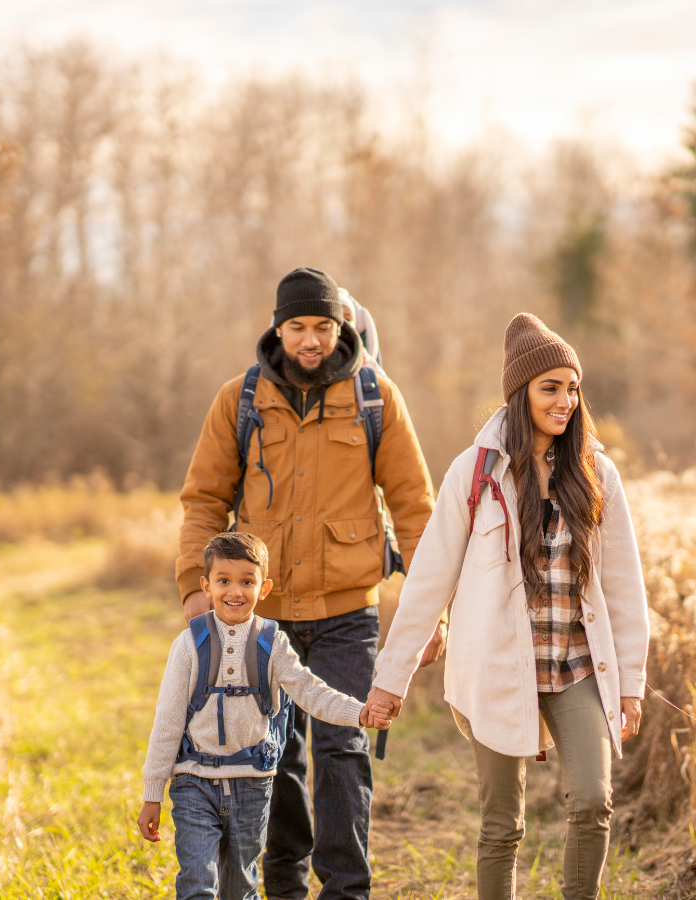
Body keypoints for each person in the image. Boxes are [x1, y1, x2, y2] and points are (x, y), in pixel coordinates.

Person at [175, 267, 443, 900]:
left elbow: (415, 506)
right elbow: (204, 500)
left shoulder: (377, 397)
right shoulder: (238, 400)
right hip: (263, 614)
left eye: (323, 326)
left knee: (344, 746)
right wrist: (194, 588)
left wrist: (429, 610)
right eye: (298, 326)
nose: (311, 339)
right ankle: (285, 885)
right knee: (274, 755)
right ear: (278, 327)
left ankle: (347, 890)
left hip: (350, 613)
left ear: (340, 327)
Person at [367, 313, 650, 900]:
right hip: (496, 668)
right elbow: (428, 582)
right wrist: (390, 680)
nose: (566, 401)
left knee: (593, 802)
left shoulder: (598, 474)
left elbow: (624, 587)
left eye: (573, 388)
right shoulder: (474, 472)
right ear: (521, 394)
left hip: (575, 668)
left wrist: (631, 684)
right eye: (551, 388)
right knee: (502, 826)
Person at [138, 532, 395, 900]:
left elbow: (311, 692)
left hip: (252, 785)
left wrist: (360, 713)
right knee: (197, 883)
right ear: (205, 586)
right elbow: (167, 723)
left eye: (247, 581)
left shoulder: (272, 643)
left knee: (239, 886)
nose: (235, 591)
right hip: (194, 782)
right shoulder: (188, 646)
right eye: (223, 580)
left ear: (264, 588)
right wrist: (153, 793)